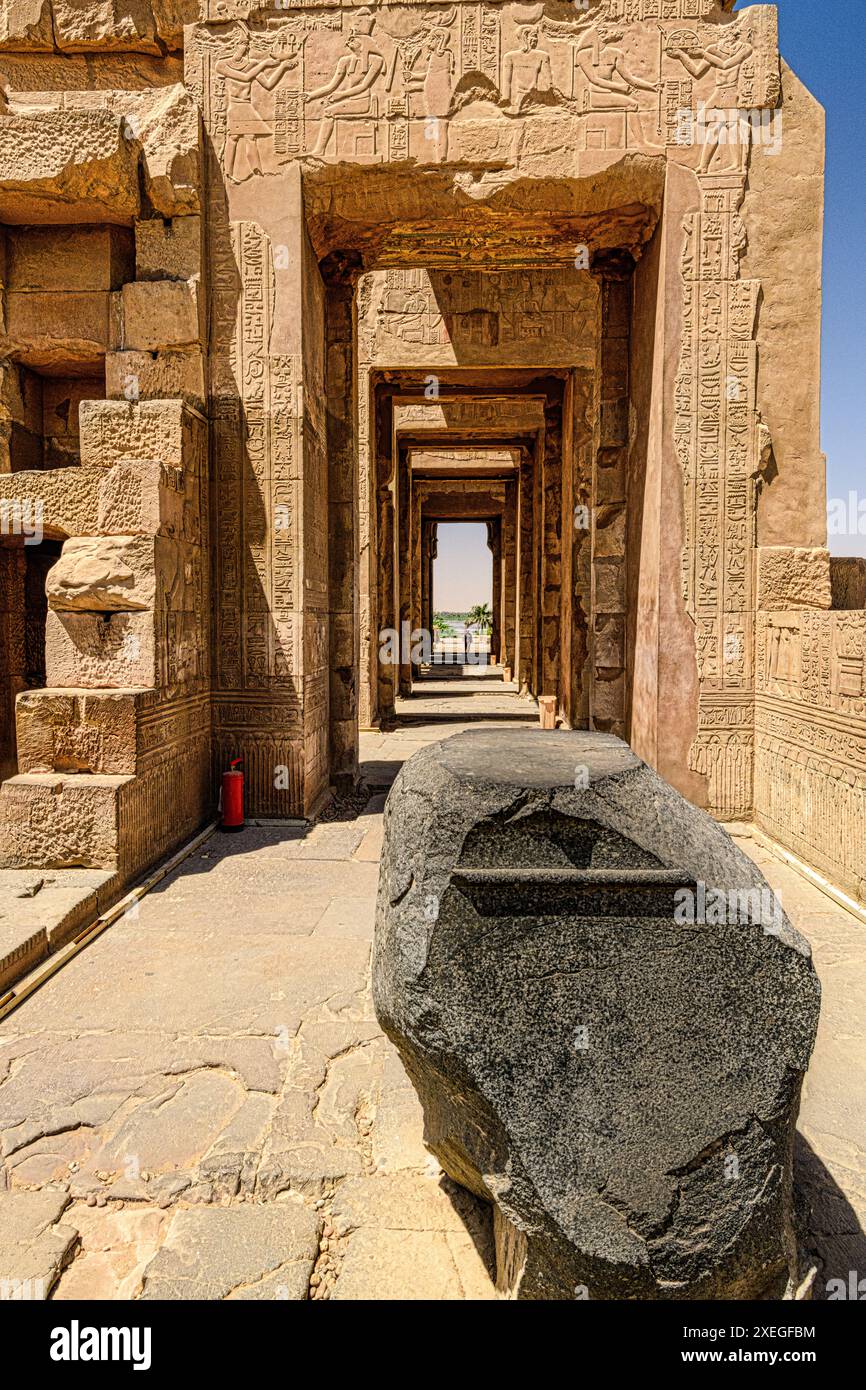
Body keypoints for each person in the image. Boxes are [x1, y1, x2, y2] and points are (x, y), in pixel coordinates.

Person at [217, 29, 299, 182]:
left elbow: (268, 84)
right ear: (233, 45)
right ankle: (228, 173)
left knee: (251, 138)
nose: (245, 48)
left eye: (246, 44)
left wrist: (282, 67)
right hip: (235, 106)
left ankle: (257, 172)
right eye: (242, 44)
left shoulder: (252, 64)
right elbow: (245, 77)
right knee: (233, 137)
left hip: (246, 105)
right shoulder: (222, 65)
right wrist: (265, 64)